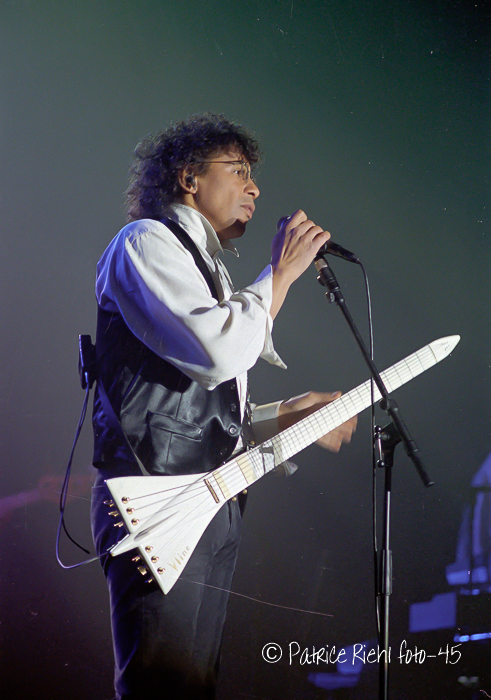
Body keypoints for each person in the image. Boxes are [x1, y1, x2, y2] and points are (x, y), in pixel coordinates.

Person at [90, 113, 356, 700]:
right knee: (163, 687)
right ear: (189, 177)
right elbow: (218, 352)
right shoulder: (146, 242)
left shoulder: (202, 266)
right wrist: (280, 274)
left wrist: (285, 416)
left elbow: (194, 410)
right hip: (158, 500)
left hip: (208, 501)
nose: (254, 188)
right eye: (237, 171)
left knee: (194, 686)